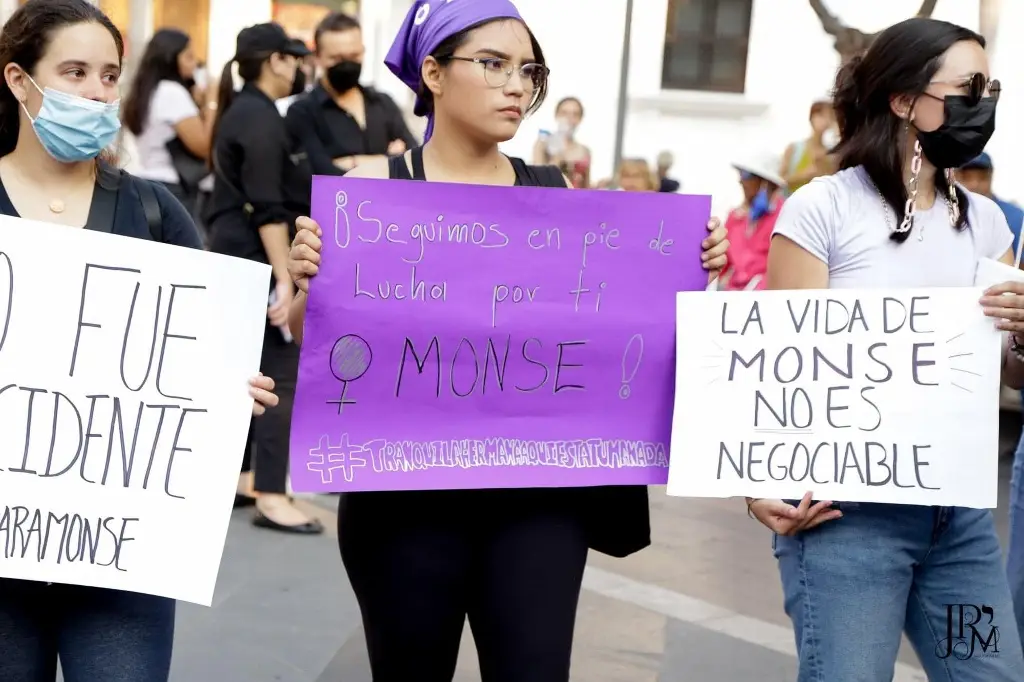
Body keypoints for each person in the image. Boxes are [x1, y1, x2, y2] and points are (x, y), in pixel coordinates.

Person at [284, 1, 729, 680]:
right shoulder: (370, 193)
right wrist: (306, 278)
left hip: (538, 504)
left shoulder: (559, 195)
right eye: (492, 65)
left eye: (528, 70)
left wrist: (695, 268)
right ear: (432, 72)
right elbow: (308, 333)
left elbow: (625, 336)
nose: (516, 86)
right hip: (401, 503)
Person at [0, 2, 278, 681]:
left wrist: (232, 390)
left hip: (123, 561)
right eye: (74, 72)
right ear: (17, 79)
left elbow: (206, 355)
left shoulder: (156, 214)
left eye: (109, 75)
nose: (97, 92)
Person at [757, 17, 1024, 681]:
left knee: (990, 673)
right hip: (846, 518)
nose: (983, 105)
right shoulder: (822, 210)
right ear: (904, 99)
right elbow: (776, 363)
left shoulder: (987, 222)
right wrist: (758, 482)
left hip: (957, 520)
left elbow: (1009, 370)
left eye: (989, 89)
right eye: (967, 88)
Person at [205, 22, 323, 534]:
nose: (298, 68)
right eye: (293, 58)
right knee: (279, 371)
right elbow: (267, 209)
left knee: (247, 370)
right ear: (275, 61)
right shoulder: (257, 118)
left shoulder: (248, 112)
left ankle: (246, 476)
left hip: (240, 257)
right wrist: (284, 281)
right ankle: (272, 494)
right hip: (256, 260)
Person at [285, 12, 417, 175]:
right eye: (337, 58)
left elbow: (414, 161)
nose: (347, 64)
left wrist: (353, 162)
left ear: (362, 51)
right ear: (317, 58)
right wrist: (389, 160)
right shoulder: (302, 112)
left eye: (354, 55)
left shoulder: (383, 103)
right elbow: (322, 174)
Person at [122, 28, 213, 219]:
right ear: (171, 58)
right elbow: (203, 145)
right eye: (188, 56)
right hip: (172, 187)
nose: (195, 63)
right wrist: (213, 102)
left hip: (147, 179)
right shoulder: (171, 91)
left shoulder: (149, 90)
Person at [719, 153, 785, 291]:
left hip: (764, 301)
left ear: (765, 182)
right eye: (740, 174)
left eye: (746, 175)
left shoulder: (785, 217)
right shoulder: (735, 218)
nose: (741, 181)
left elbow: (786, 268)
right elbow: (722, 264)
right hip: (731, 298)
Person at [957, 151, 1024, 255]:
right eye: (967, 177)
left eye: (982, 177)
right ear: (955, 177)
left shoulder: (1016, 217)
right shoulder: (943, 213)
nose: (975, 184)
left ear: (991, 176)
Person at [780, 98, 838, 193]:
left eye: (829, 116)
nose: (824, 120)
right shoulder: (794, 148)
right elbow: (780, 180)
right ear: (812, 116)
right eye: (821, 115)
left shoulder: (831, 155)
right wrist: (805, 174)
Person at [532, 95, 590, 187]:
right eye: (564, 113)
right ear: (556, 115)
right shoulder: (543, 144)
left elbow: (586, 187)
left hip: (576, 200)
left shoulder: (584, 151)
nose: (569, 118)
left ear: (580, 119)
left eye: (575, 114)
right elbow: (536, 180)